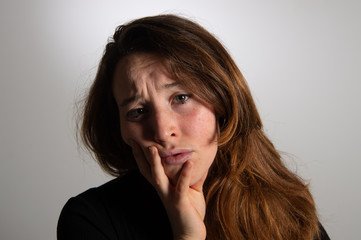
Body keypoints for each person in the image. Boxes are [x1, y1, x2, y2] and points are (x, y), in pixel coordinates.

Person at [57, 14, 330, 240]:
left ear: (222, 102)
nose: (163, 132)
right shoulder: (90, 220)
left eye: (181, 98)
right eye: (137, 111)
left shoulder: (285, 207)